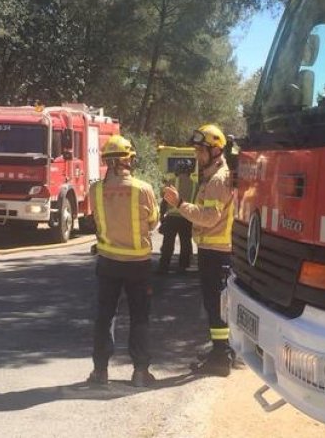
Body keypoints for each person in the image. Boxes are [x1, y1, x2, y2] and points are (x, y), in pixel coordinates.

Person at [162, 123, 235, 377]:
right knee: (216, 304)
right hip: (213, 249)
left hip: (216, 251)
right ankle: (220, 351)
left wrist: (180, 203)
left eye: (200, 151)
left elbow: (209, 218)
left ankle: (221, 357)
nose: (196, 155)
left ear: (215, 151)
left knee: (216, 306)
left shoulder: (216, 180)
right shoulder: (213, 176)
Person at [88, 135, 160, 388]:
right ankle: (140, 372)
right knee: (139, 316)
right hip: (138, 264)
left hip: (108, 262)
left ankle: (99, 372)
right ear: (128, 160)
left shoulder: (95, 190)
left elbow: (95, 220)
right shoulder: (143, 189)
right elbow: (153, 221)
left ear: (108, 161)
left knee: (105, 316)